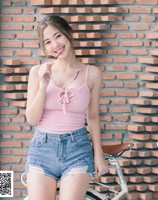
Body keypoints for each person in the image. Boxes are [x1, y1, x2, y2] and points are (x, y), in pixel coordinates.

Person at [25, 15, 108, 200]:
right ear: (44, 47)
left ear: (68, 33)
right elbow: (32, 119)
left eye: (58, 36)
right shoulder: (37, 73)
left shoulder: (92, 73)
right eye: (48, 42)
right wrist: (43, 85)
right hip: (42, 149)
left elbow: (93, 116)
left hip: (77, 149)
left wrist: (98, 154)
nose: (55, 45)